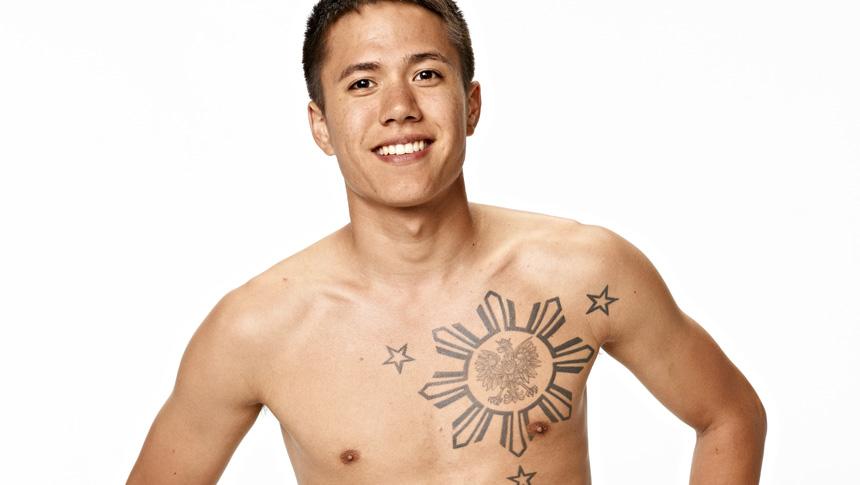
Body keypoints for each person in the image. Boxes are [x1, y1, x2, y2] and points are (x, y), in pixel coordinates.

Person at [128, 0, 767, 483]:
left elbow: (729, 415)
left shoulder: (583, 271)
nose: (399, 107)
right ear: (320, 125)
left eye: (427, 74)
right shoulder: (256, 328)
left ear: (471, 105)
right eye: (362, 83)